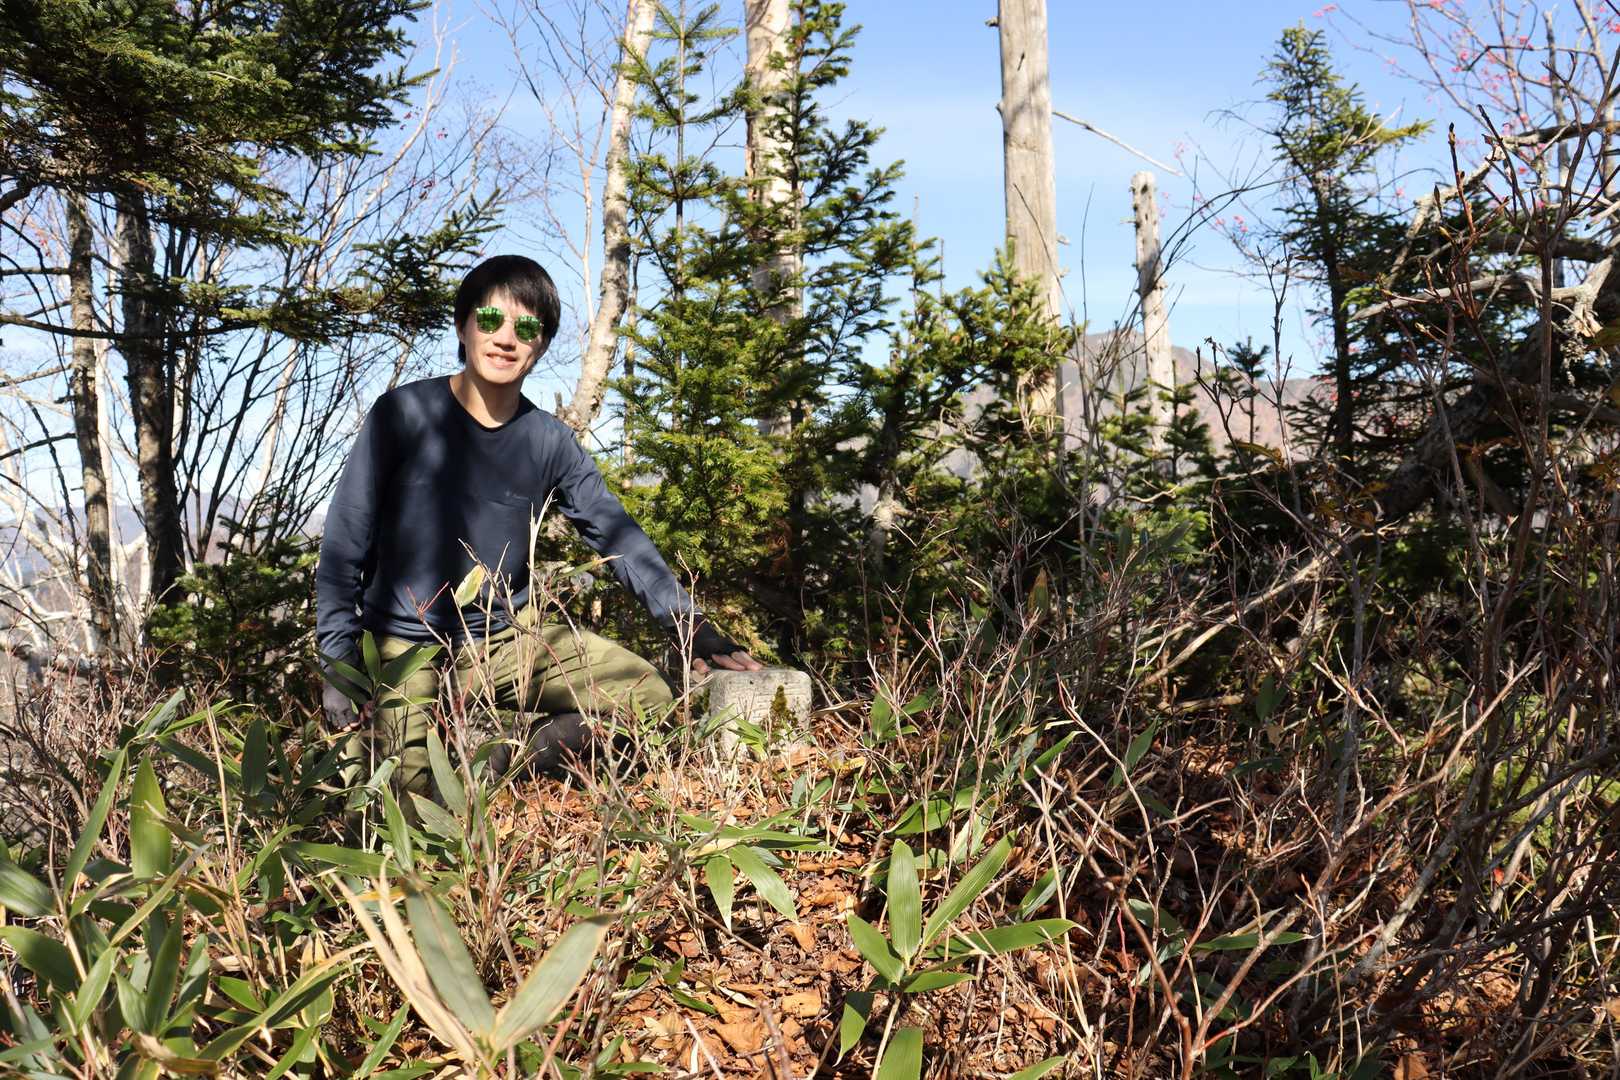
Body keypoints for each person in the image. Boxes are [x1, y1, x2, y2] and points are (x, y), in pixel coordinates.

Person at [316, 254, 760, 795]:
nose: (506, 339)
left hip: (505, 643)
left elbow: (613, 531)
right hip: (402, 645)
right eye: (490, 320)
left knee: (648, 695)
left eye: (526, 328)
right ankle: (434, 766)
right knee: (399, 806)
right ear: (462, 326)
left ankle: (507, 758)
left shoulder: (548, 440)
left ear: (542, 345)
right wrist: (338, 660)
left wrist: (689, 626)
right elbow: (345, 542)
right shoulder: (402, 415)